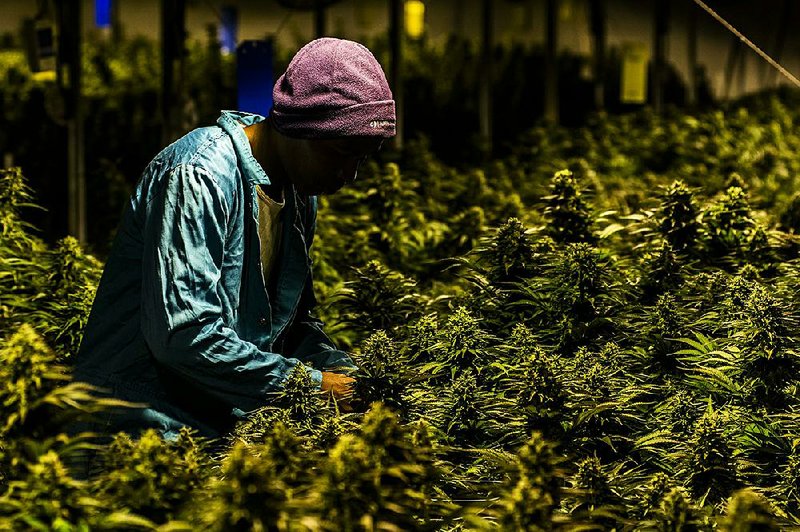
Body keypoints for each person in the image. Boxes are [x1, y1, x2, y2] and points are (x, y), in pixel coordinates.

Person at [74, 37, 396, 440]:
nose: (350, 175)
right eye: (341, 153)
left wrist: (353, 377)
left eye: (363, 158)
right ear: (298, 127)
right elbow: (185, 336)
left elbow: (291, 329)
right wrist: (315, 386)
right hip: (136, 428)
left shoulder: (298, 197)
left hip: (214, 426)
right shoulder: (198, 175)